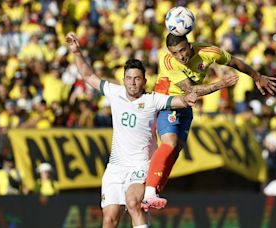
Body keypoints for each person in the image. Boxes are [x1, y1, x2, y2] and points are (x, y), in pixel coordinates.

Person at [66, 32, 209, 228]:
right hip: (115, 167)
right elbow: (88, 75)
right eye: (129, 78)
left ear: (144, 81)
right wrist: (76, 52)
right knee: (109, 219)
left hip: (141, 165)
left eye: (137, 79)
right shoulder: (115, 93)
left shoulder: (152, 99)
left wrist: (187, 99)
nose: (132, 82)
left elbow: (176, 100)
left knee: (134, 203)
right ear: (123, 80)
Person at [142, 33, 276, 209]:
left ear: (189, 45)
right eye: (175, 52)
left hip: (186, 108)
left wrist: (257, 76)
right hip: (167, 103)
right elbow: (191, 90)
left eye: (182, 50)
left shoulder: (208, 51)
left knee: (175, 152)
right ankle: (149, 192)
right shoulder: (167, 62)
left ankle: (155, 192)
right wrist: (221, 84)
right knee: (169, 143)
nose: (180, 56)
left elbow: (235, 62)